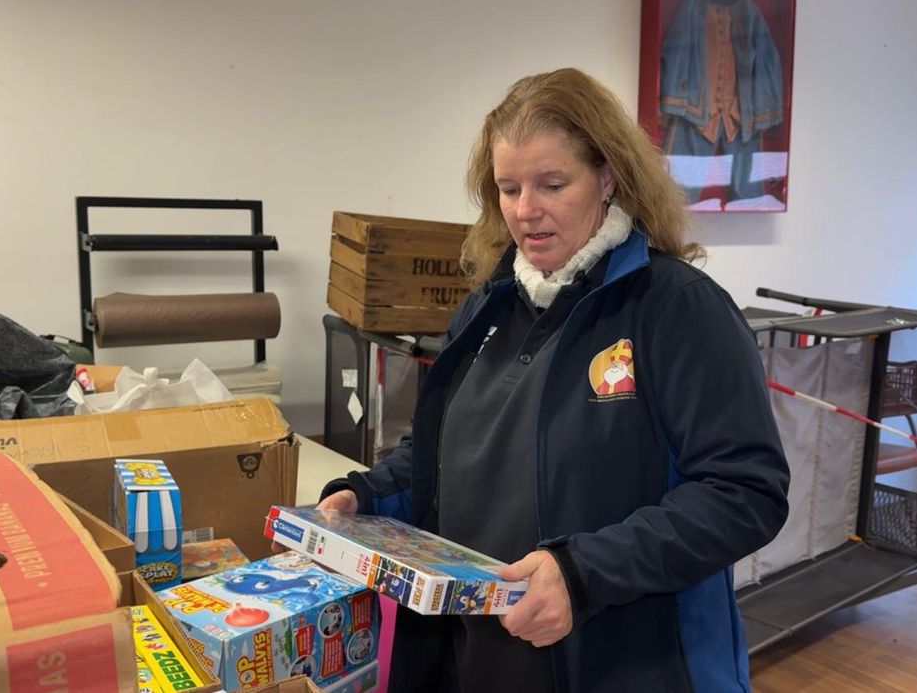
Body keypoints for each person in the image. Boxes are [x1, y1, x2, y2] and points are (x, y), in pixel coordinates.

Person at [317, 68, 789, 692]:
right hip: (480, 663)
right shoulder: (486, 308)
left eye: (552, 184)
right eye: (508, 189)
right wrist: (368, 497)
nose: (525, 211)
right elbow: (441, 459)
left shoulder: (676, 307)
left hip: (628, 666)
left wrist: (583, 572)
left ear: (608, 177)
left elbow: (745, 491)